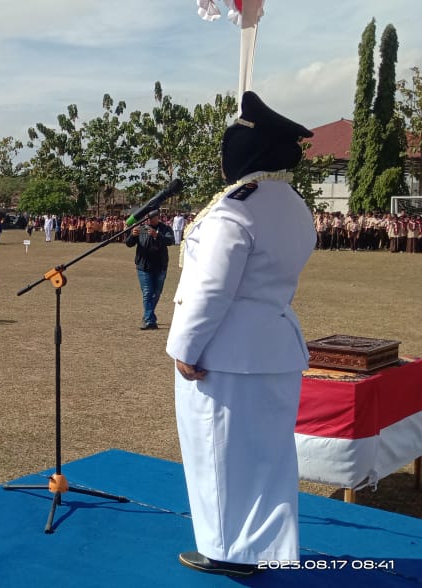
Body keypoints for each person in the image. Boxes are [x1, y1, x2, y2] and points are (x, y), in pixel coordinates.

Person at [165, 91, 316, 577]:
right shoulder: (294, 205)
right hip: (275, 345)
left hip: (224, 353)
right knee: (268, 456)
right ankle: (266, 547)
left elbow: (209, 291)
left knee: (218, 456)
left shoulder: (234, 211)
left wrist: (183, 348)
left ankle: (226, 549)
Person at [125, 209, 175, 330]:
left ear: (158, 217)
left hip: (160, 266)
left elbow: (171, 241)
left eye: (152, 217)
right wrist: (132, 235)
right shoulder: (141, 228)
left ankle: (148, 315)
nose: (149, 220)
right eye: (147, 218)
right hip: (143, 266)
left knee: (156, 293)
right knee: (148, 292)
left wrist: (157, 235)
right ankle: (149, 321)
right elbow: (129, 243)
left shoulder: (165, 228)